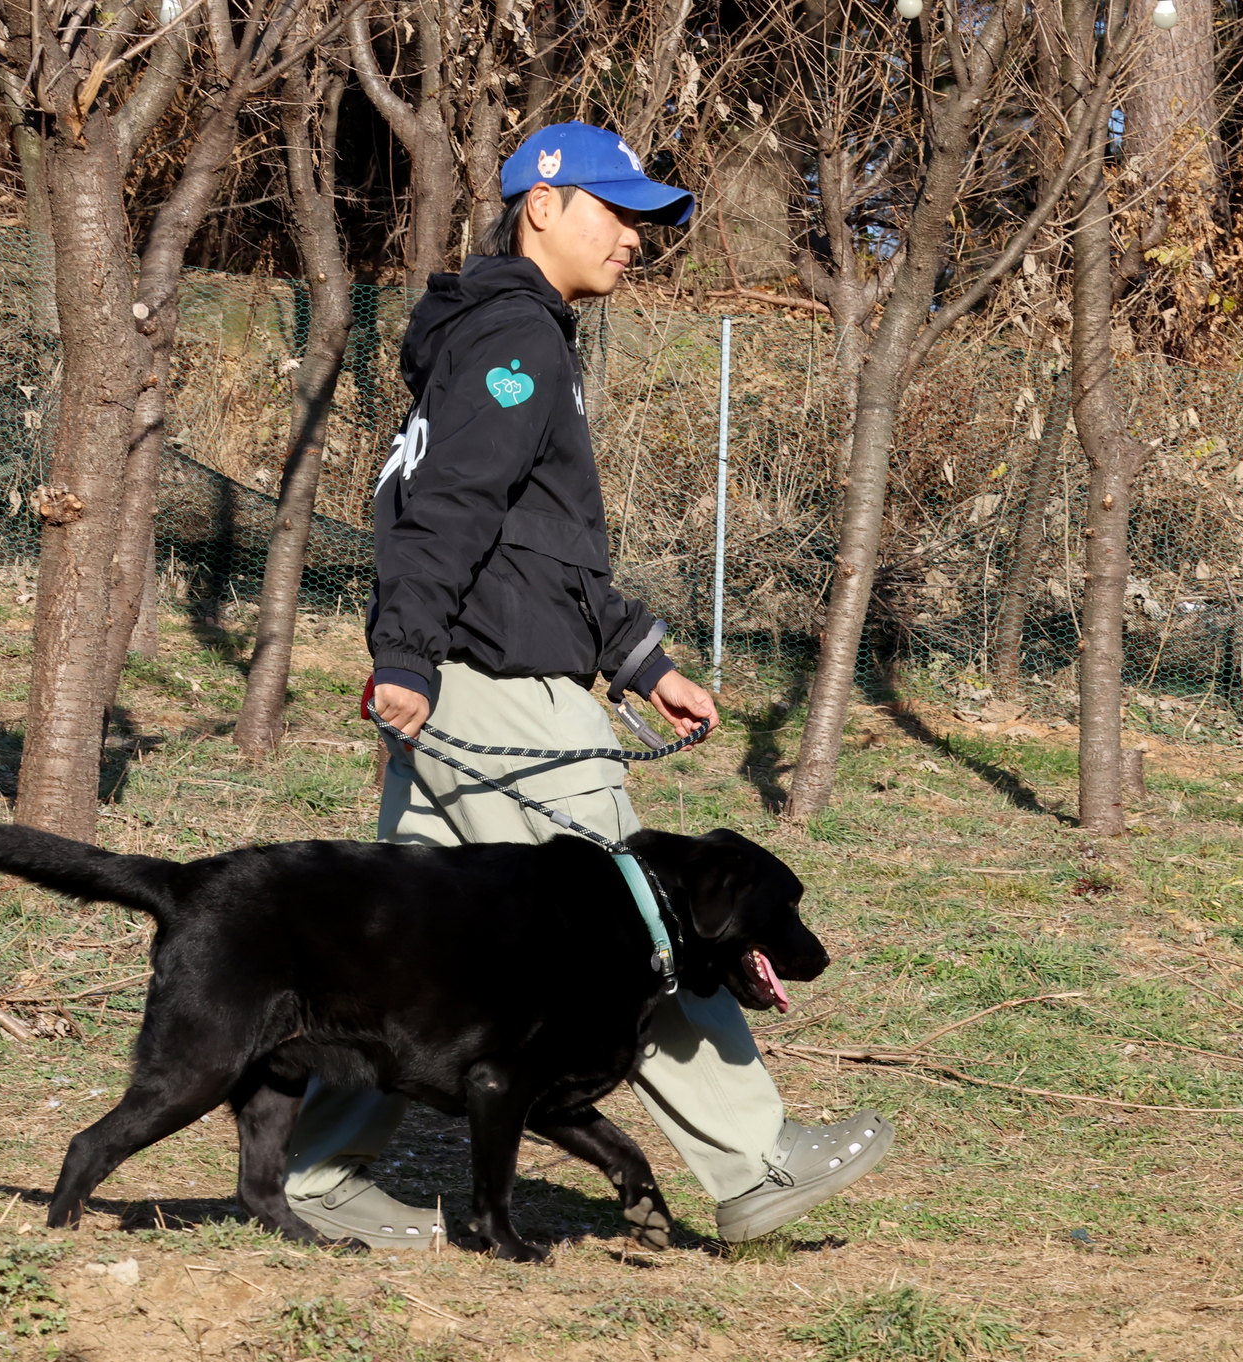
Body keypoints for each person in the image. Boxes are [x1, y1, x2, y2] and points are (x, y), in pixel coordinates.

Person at [283, 122, 894, 1249]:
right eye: (616, 213)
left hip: (476, 682)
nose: (634, 239)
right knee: (649, 921)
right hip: (502, 697)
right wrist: (404, 656)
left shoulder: (503, 340)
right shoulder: (515, 341)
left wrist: (640, 660)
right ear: (541, 205)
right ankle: (754, 1161)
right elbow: (446, 514)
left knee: (415, 951)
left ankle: (315, 1180)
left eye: (644, 220)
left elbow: (535, 550)